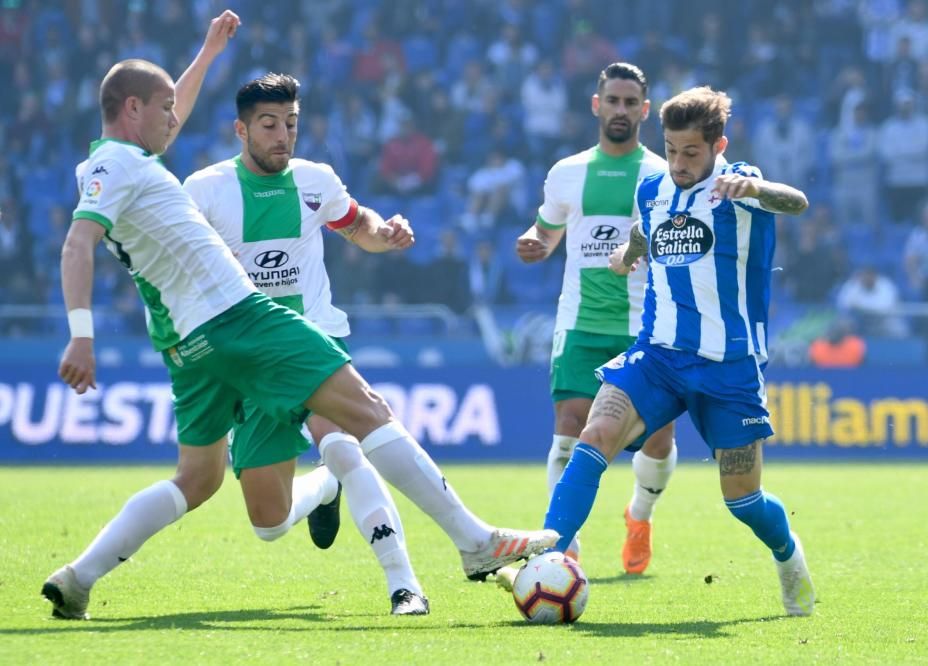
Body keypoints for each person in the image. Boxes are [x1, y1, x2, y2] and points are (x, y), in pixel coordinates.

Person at [42, 15, 556, 621]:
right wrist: (81, 336)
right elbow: (77, 245)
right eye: (163, 110)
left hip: (185, 343)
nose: (174, 117)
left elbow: (164, 112)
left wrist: (207, 51)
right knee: (366, 412)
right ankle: (474, 541)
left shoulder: (114, 164)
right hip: (239, 317)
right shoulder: (126, 169)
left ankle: (79, 577)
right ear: (132, 108)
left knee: (200, 479)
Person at [541, 86, 816, 616]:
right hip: (659, 356)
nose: (679, 163)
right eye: (670, 150)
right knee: (592, 436)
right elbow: (648, 233)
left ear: (718, 145)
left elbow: (797, 202)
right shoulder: (653, 188)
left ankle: (788, 557)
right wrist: (626, 254)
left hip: (729, 366)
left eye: (691, 152)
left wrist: (753, 187)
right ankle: (549, 557)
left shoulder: (743, 185)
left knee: (743, 500)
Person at [182, 73, 427, 615]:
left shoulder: (316, 180)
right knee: (268, 524)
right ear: (240, 129)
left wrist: (383, 233)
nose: (283, 135)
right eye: (269, 125)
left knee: (343, 443)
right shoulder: (203, 191)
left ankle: (403, 583)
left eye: (291, 124)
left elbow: (355, 222)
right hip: (249, 358)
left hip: (315, 336)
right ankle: (322, 489)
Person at [513, 63, 679, 575]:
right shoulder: (567, 172)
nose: (622, 110)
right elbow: (547, 230)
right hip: (580, 324)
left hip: (645, 325)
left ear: (645, 111)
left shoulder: (661, 174)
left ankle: (640, 516)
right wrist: (534, 244)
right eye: (614, 101)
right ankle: (563, 541)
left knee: (658, 439)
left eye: (632, 103)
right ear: (597, 104)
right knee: (568, 426)